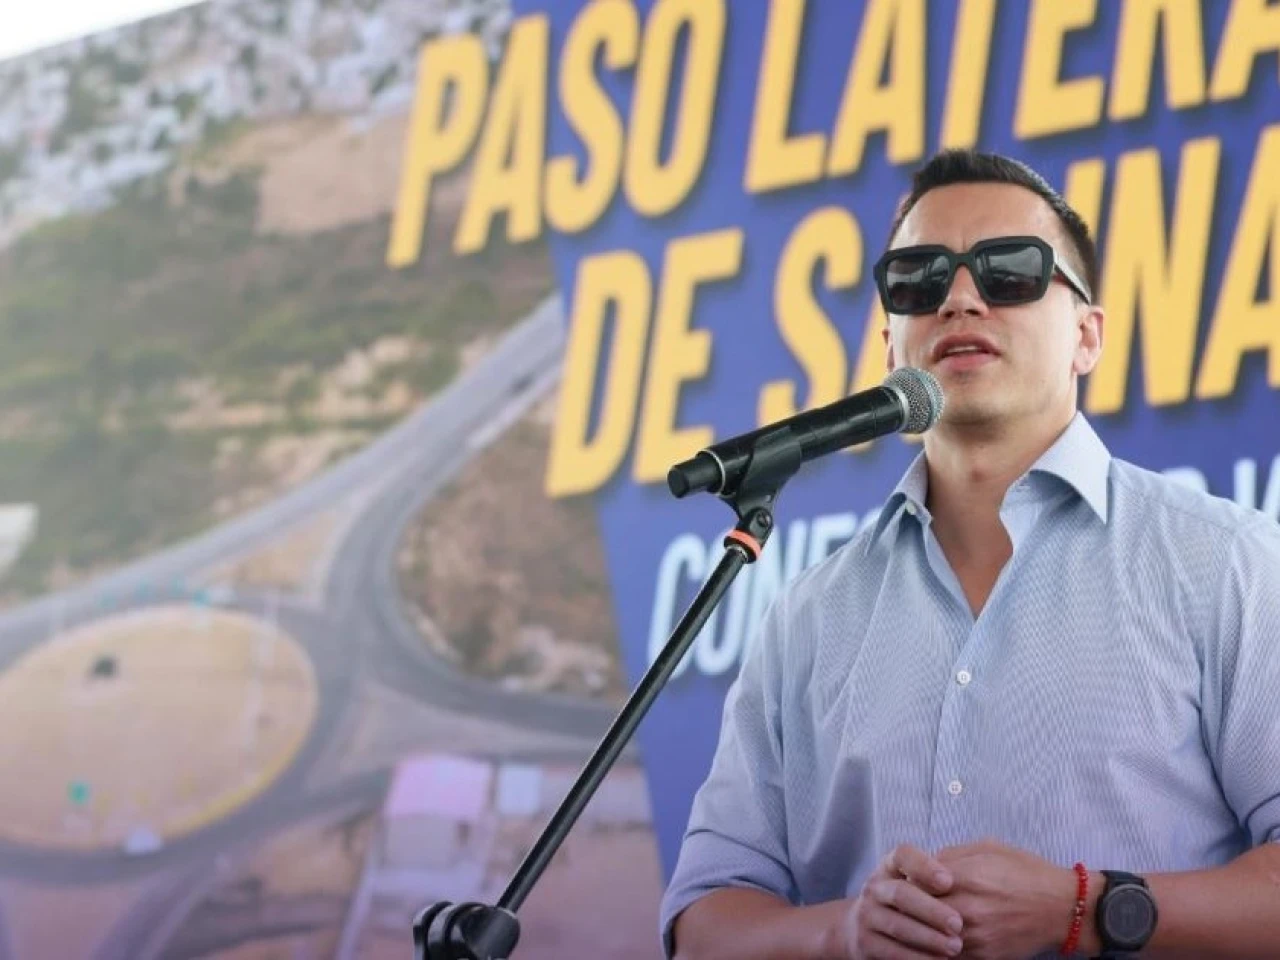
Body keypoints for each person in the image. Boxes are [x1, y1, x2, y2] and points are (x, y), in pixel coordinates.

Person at [658, 149, 1280, 960]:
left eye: (1009, 271)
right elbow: (703, 921)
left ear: (1087, 336)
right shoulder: (808, 617)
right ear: (891, 345)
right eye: (918, 279)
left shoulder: (1227, 564)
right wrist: (842, 933)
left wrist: (1086, 908)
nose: (959, 298)